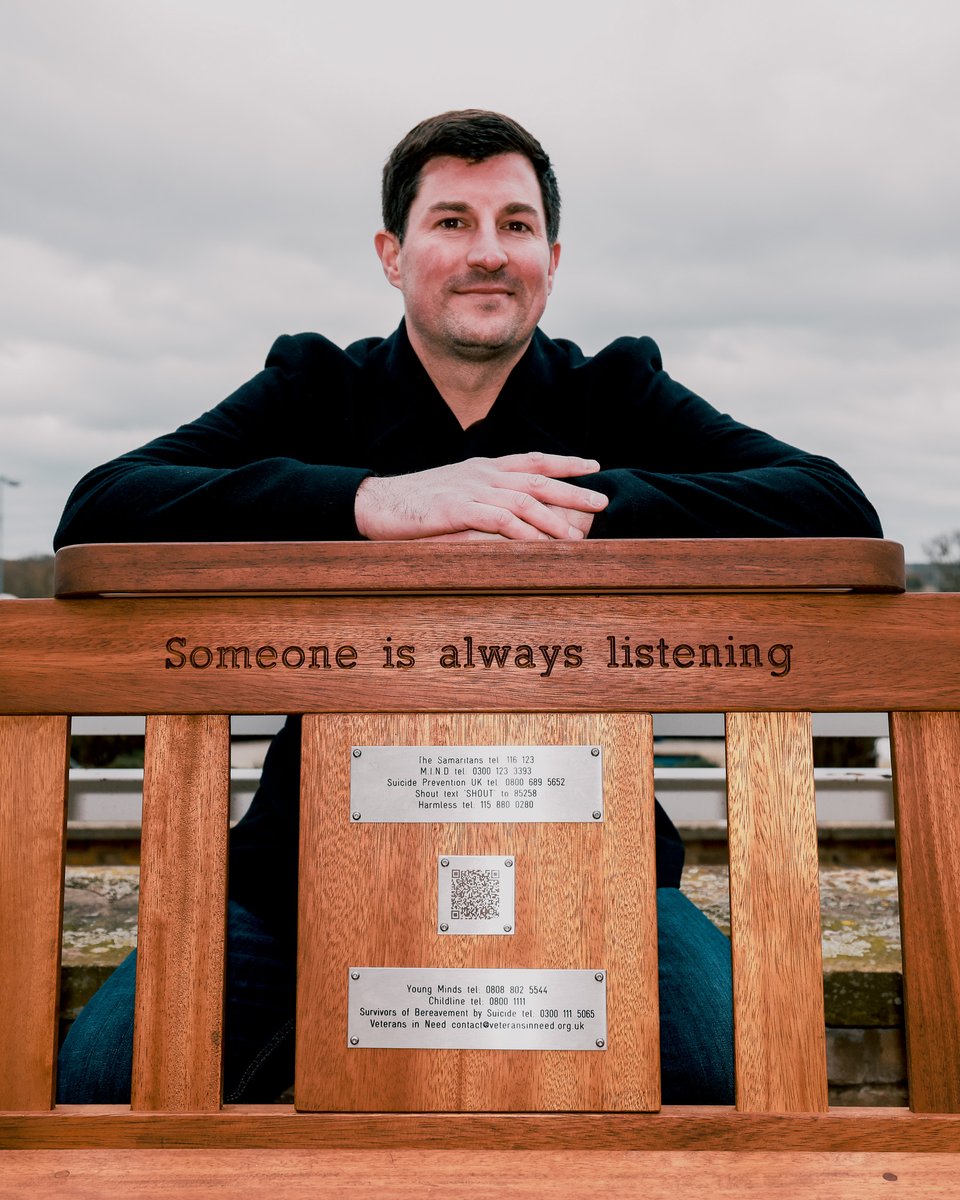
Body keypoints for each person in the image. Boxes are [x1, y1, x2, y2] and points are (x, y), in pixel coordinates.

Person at [54, 110, 882, 1106]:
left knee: (737, 1077)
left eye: (516, 225)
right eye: (452, 221)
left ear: (551, 261)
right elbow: (101, 509)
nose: (488, 252)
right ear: (393, 255)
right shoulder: (317, 387)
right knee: (108, 1081)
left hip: (599, 870)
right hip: (302, 879)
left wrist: (563, 505)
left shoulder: (615, 391)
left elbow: (834, 507)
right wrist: (370, 502)